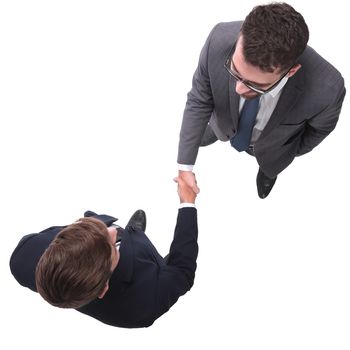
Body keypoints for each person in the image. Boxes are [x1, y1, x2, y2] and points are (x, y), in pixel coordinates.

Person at [177, 2, 345, 198]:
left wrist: (285, 151)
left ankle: (267, 169)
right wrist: (185, 166)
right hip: (223, 122)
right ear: (240, 37)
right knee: (213, 130)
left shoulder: (328, 89)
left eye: (255, 85)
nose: (239, 88)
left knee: (271, 164)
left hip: (273, 151)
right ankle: (219, 132)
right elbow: (199, 99)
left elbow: (318, 130)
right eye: (235, 71)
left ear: (290, 72)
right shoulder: (218, 39)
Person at [9, 176, 198, 328]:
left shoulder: (23, 257)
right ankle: (139, 240)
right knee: (166, 271)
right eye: (111, 246)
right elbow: (182, 270)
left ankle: (132, 234)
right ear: (103, 288)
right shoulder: (143, 306)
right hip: (148, 271)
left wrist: (86, 236)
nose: (114, 230)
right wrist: (187, 203)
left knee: (121, 234)